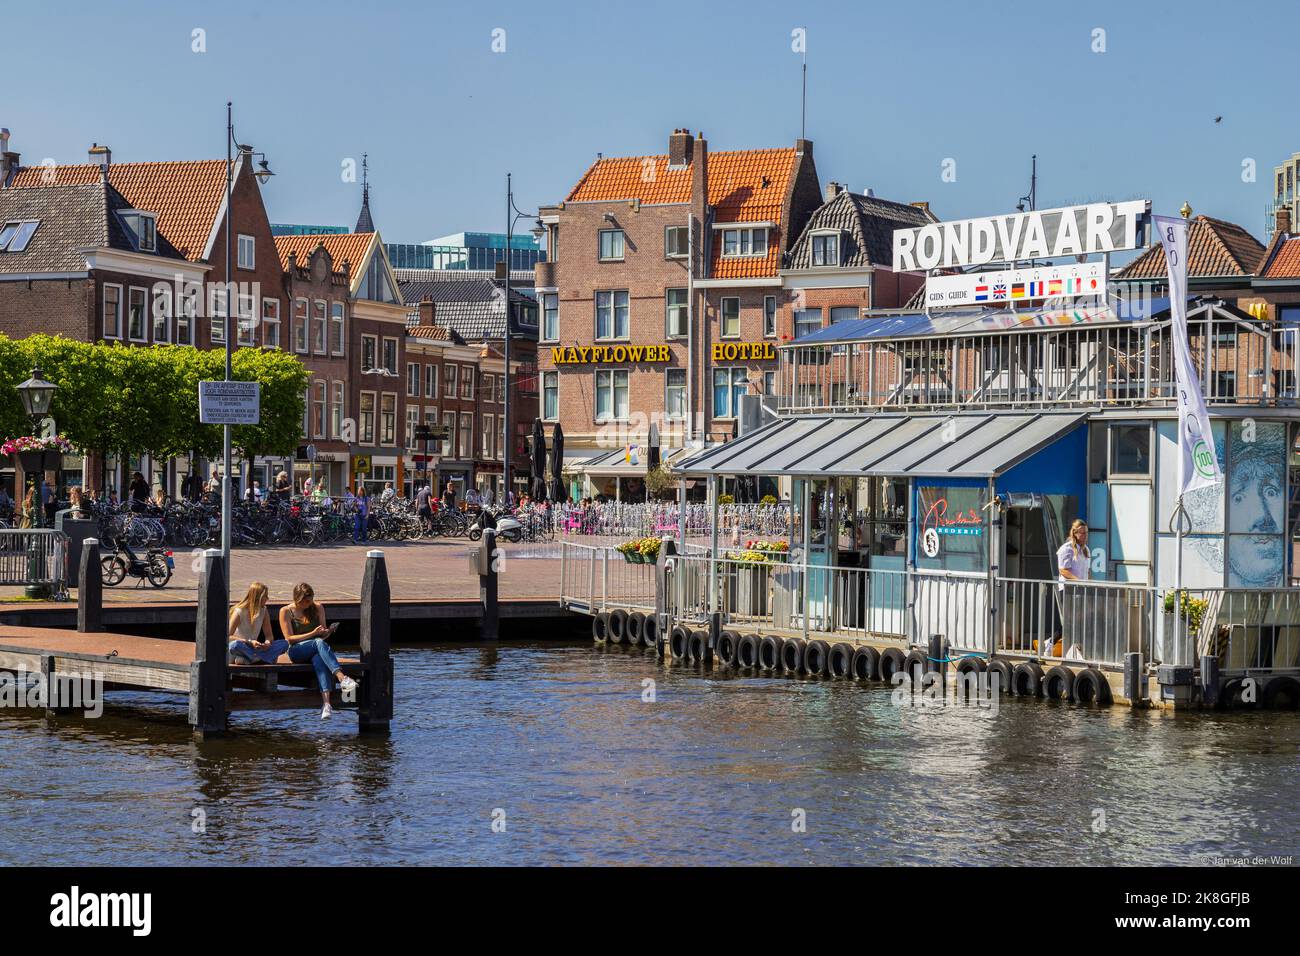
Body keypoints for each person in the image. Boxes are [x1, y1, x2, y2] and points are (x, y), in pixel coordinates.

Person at [278, 582, 358, 719]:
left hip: (315, 648)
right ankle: (341, 677)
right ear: (297, 599)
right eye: (306, 601)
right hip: (296, 651)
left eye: (311, 599)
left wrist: (328, 631)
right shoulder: (286, 611)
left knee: (319, 659)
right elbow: (289, 639)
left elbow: (322, 635)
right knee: (318, 642)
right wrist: (313, 634)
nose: (309, 603)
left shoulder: (318, 608)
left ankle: (326, 704)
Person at [1054, 518, 1091, 657]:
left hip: (1082, 589)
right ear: (1075, 533)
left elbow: (1087, 571)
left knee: (1081, 620)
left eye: (1086, 533)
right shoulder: (1066, 549)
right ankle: (1051, 642)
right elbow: (1063, 570)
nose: (1084, 536)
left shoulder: (1086, 550)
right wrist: (1078, 580)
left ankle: (1076, 648)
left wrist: (1088, 584)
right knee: (1070, 621)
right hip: (1068, 590)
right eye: (1081, 533)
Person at [227, 581, 286, 665]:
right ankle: (262, 658)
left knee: (284, 644)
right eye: (265, 596)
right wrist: (249, 642)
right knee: (234, 645)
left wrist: (267, 643)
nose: (267, 598)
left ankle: (253, 658)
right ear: (259, 597)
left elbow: (269, 636)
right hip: (241, 647)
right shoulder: (239, 611)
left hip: (255, 648)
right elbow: (228, 636)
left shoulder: (264, 611)